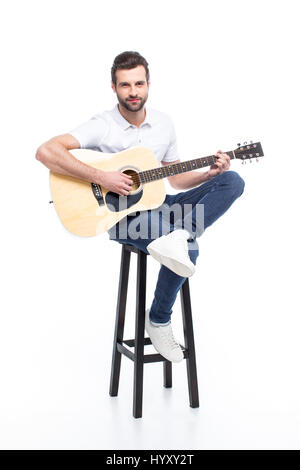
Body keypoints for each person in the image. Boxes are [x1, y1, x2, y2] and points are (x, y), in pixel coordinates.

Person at [36, 51, 245, 363]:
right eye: (125, 85)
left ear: (148, 84)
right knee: (189, 251)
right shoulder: (102, 126)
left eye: (138, 83)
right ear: (113, 87)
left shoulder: (164, 124)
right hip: (122, 216)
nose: (133, 92)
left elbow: (174, 179)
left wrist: (207, 174)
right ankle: (159, 319)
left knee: (232, 180)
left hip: (160, 203)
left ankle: (180, 235)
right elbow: (45, 151)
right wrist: (102, 176)